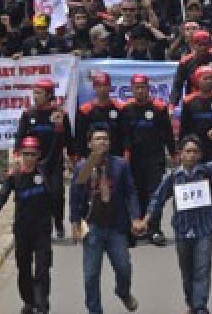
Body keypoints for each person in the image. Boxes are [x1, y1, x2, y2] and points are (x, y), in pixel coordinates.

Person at [134, 128, 212, 314]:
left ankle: (200, 306)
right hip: (182, 230)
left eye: (195, 152)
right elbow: (157, 199)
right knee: (187, 271)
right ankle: (191, 302)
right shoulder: (173, 177)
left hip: (204, 228)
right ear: (180, 154)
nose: (191, 155)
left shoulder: (207, 171)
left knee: (202, 269)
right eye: (187, 151)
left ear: (200, 154)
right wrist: (146, 220)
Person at [70, 125, 140, 314]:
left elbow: (131, 192)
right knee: (91, 276)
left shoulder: (120, 165)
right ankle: (95, 310)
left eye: (105, 139)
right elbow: (76, 197)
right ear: (90, 143)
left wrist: (135, 217)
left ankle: (123, 292)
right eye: (98, 139)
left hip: (116, 226)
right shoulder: (84, 167)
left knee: (124, 268)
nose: (102, 142)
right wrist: (75, 223)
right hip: (92, 227)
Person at [0, 136, 58, 314]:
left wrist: (57, 129)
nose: (29, 158)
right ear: (20, 155)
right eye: (26, 154)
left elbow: (55, 151)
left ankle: (42, 303)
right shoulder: (15, 176)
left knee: (42, 268)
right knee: (23, 269)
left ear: (38, 155)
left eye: (33, 154)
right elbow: (2, 194)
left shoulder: (43, 171)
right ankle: (29, 301)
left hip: (42, 230)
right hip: (22, 230)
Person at [118, 73, 175, 247]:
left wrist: (173, 153)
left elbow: (167, 133)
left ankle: (154, 229)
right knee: (136, 194)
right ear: (132, 89)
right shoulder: (126, 109)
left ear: (148, 88)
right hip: (134, 159)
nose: (140, 90)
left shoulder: (158, 108)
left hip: (155, 158)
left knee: (154, 194)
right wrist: (125, 156)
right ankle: (137, 228)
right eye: (137, 88)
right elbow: (124, 135)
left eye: (143, 87)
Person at [15, 78, 71, 240]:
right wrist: (18, 157)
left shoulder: (60, 114)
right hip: (33, 163)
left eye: (39, 93)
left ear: (49, 95)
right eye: (34, 93)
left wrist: (74, 158)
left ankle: (59, 223)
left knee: (56, 194)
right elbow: (20, 137)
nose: (35, 96)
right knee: (35, 196)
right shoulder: (28, 114)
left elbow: (68, 139)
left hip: (54, 162)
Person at [179, 65, 212, 211]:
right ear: (197, 80)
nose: (209, 81)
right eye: (205, 78)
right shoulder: (189, 102)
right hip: (194, 151)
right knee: (195, 185)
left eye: (211, 78)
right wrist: (182, 150)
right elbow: (184, 129)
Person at [74, 72, 124, 158]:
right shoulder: (84, 110)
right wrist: (79, 158)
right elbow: (80, 138)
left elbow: (124, 136)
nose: (102, 89)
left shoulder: (120, 109)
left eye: (105, 85)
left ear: (110, 87)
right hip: (91, 157)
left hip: (115, 156)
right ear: (94, 87)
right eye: (99, 86)